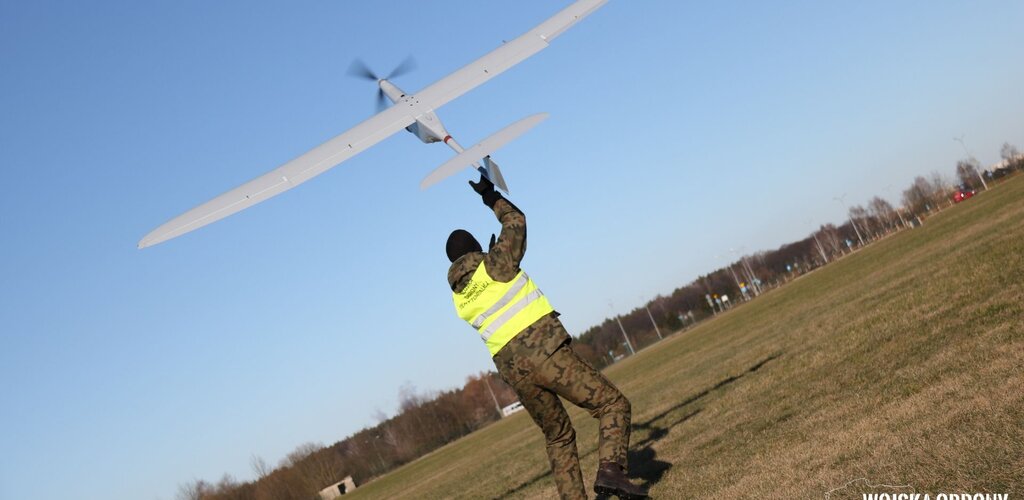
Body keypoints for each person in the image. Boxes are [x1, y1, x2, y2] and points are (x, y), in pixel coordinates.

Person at [446, 174, 648, 500]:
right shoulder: (496, 263)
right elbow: (516, 219)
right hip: (547, 352)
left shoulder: (460, 297)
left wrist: (494, 253)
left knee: (558, 437)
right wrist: (488, 194)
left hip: (516, 374)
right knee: (612, 404)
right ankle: (611, 470)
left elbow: (489, 285)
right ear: (477, 250)